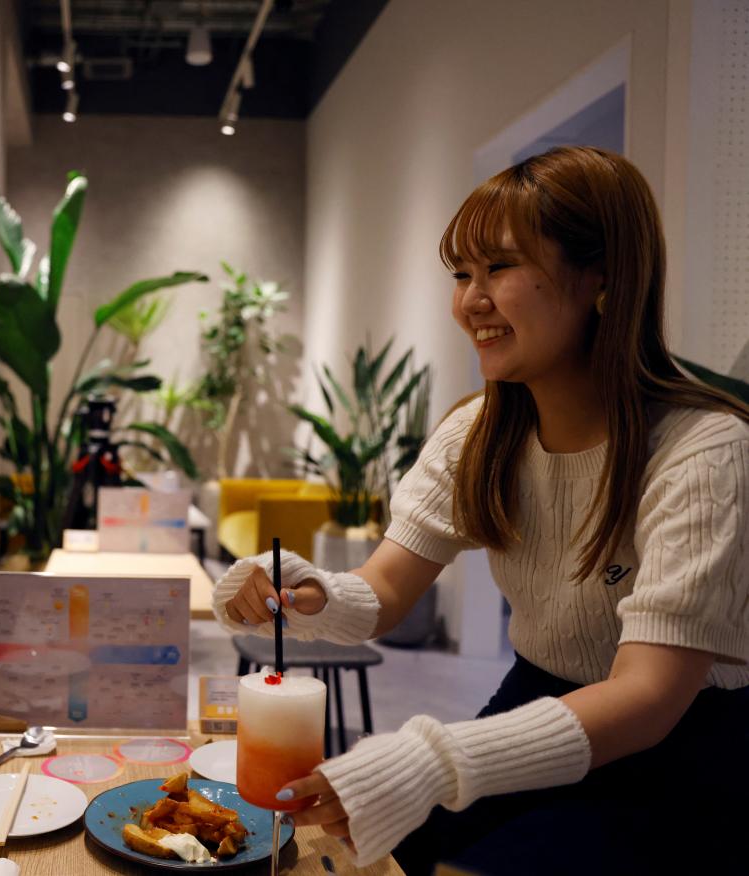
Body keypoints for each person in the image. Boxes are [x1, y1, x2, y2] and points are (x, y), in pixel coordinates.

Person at [215, 146, 749, 875]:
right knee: (392, 844)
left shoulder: (703, 449)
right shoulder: (480, 431)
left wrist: (429, 758)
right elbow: (385, 592)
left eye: (498, 268)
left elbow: (650, 697)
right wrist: (299, 594)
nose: (471, 300)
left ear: (601, 278)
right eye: (462, 274)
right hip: (539, 691)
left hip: (683, 744)